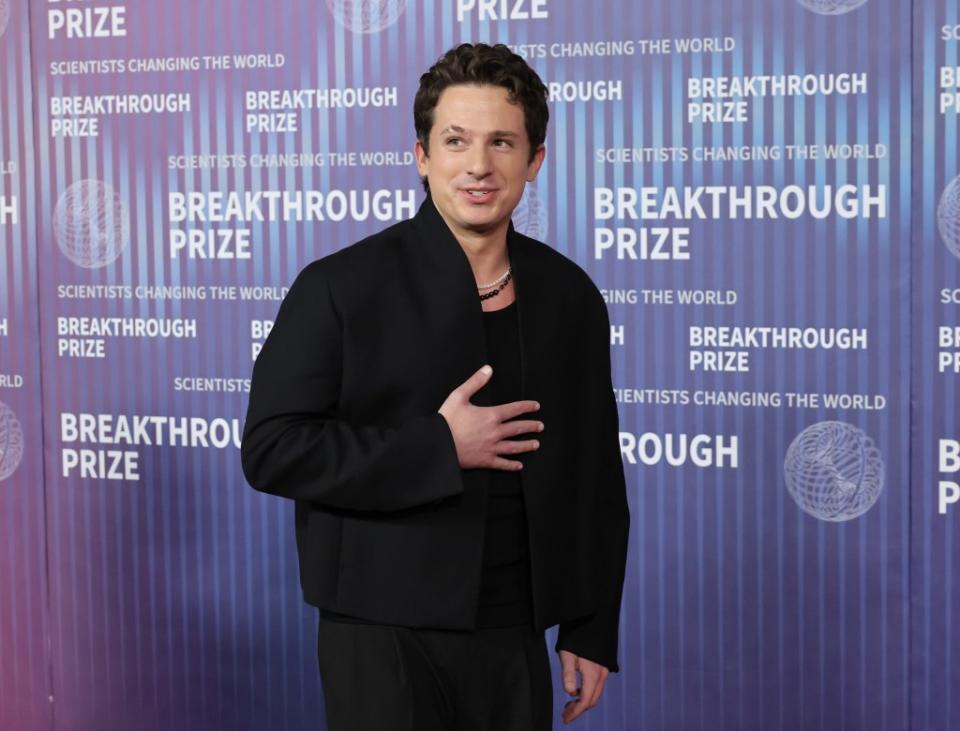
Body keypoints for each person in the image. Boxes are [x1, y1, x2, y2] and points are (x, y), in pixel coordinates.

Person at [241, 42, 629, 730]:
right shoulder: (339, 288)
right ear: (422, 155)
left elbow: (594, 474)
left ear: (535, 159)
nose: (479, 165)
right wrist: (439, 447)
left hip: (516, 632)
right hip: (378, 630)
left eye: (502, 142)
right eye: (456, 141)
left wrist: (591, 626)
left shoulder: (570, 296)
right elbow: (273, 448)